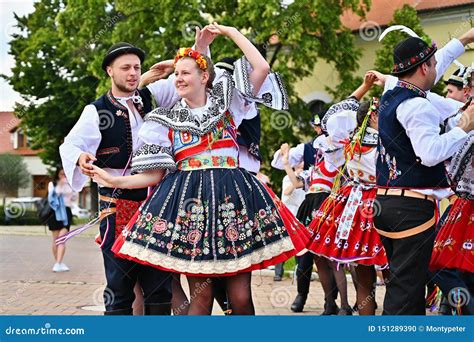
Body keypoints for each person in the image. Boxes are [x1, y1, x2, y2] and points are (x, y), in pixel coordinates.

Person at [91, 23, 308, 315]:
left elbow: (261, 68)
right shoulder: (163, 121)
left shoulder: (229, 104)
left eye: (185, 72)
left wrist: (231, 33)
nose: (178, 78)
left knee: (241, 297)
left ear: (204, 77)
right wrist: (113, 178)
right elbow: (152, 176)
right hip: (191, 211)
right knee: (201, 298)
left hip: (235, 205)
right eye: (176, 73)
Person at [58, 39, 199, 315]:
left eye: (137, 67)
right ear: (110, 70)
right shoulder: (96, 111)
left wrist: (183, 59)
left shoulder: (152, 97)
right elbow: (69, 145)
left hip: (156, 205)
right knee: (119, 289)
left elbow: (192, 77)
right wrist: (80, 157)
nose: (133, 73)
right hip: (116, 206)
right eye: (125, 68)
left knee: (160, 288)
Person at [374, 31, 474, 315]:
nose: (436, 69)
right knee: (407, 292)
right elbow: (430, 153)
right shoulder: (417, 105)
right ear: (422, 68)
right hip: (411, 208)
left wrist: (464, 40)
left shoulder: (393, 94)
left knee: (403, 286)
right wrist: (463, 128)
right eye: (431, 64)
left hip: (389, 202)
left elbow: (435, 64)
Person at [307, 95, 388, 315]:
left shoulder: (350, 140)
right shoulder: (386, 142)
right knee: (393, 277)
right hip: (380, 203)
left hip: (352, 203)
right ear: (373, 116)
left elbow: (333, 114)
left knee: (364, 279)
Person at [274, 162, 306, 281]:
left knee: (301, 245)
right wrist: (295, 180)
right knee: (283, 244)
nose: (301, 168)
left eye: (303, 166)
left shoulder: (307, 178)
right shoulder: (287, 178)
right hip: (288, 215)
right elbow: (287, 192)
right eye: (298, 166)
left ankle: (300, 273)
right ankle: (278, 273)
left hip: (301, 215)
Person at [47, 168, 76, 272]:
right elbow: (53, 197)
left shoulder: (70, 184)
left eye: (65, 173)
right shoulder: (52, 184)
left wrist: (70, 187)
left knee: (62, 239)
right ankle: (58, 263)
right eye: (61, 174)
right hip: (55, 212)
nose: (63, 175)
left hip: (66, 213)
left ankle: (58, 263)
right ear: (57, 174)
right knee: (55, 240)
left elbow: (74, 198)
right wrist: (60, 184)